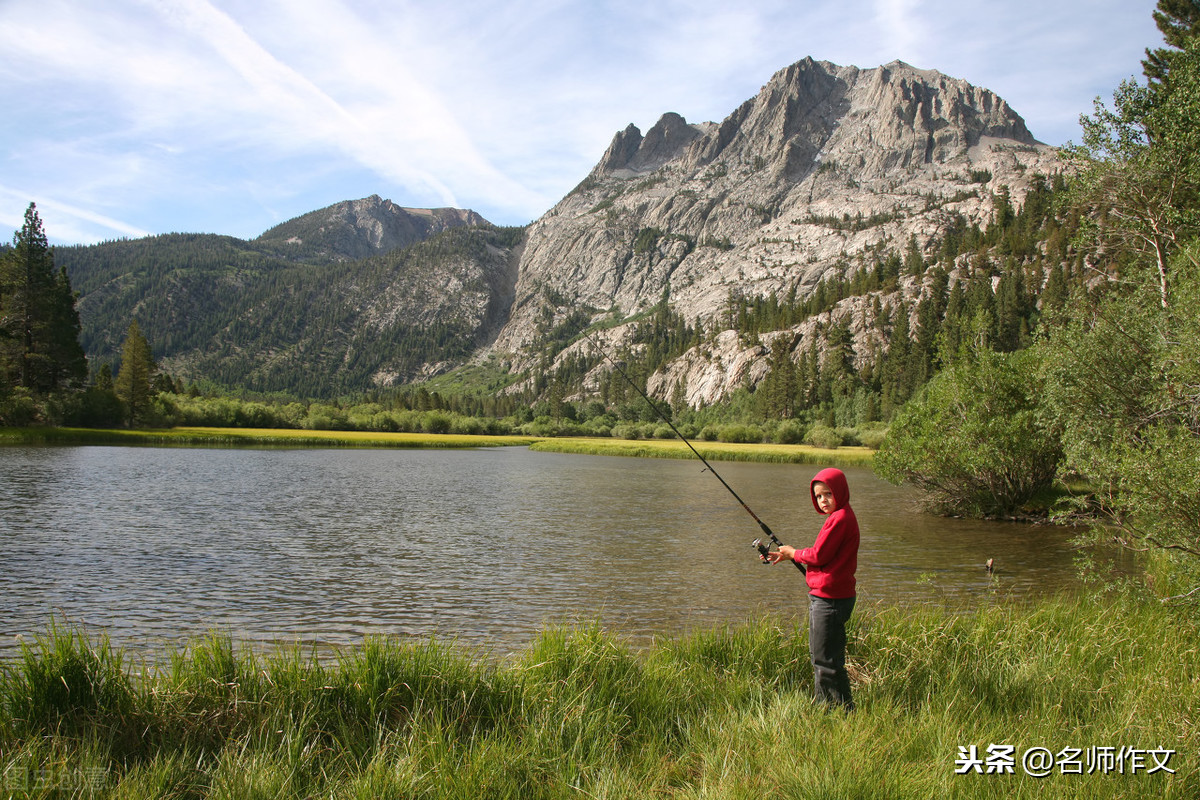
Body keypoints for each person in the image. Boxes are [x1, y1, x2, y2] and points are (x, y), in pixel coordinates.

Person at [767, 467, 859, 710]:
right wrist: (788, 556)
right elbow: (825, 556)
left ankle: (829, 711)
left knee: (824, 661)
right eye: (818, 496)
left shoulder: (839, 518)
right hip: (834, 596)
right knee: (829, 659)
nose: (823, 500)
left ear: (840, 491)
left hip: (830, 600)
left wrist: (795, 553)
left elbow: (818, 555)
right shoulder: (842, 516)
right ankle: (839, 709)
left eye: (828, 493)